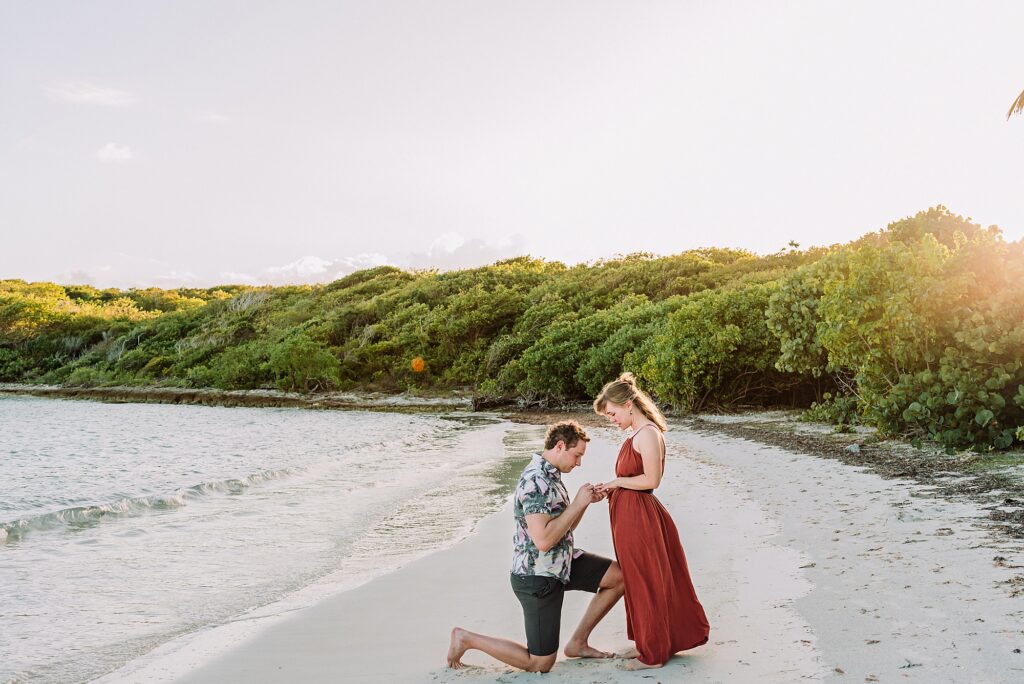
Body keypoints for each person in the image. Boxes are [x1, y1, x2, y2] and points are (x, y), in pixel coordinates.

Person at [447, 420, 625, 673]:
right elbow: (543, 541)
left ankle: (578, 643)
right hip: (536, 576)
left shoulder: (551, 476)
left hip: (561, 562)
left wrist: (584, 504)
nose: (579, 463)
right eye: (577, 455)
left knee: (619, 578)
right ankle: (466, 638)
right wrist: (576, 503)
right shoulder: (535, 481)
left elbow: (563, 530)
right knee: (540, 663)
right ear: (560, 446)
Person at [594, 373, 710, 670]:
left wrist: (617, 481)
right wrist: (614, 486)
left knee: (646, 580)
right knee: (637, 579)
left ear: (629, 404)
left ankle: (654, 653)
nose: (612, 420)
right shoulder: (636, 434)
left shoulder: (647, 434)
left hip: (640, 518)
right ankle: (648, 641)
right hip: (629, 516)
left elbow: (651, 480)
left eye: (612, 413)